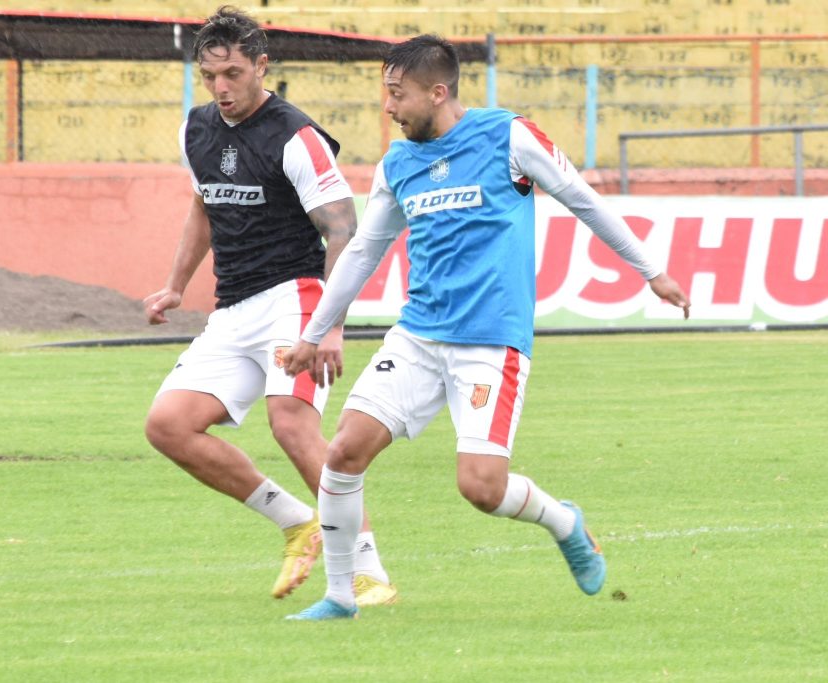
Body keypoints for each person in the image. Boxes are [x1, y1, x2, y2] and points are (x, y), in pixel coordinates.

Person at [281, 34, 691, 620]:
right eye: (386, 94)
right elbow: (364, 252)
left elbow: (582, 199)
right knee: (344, 453)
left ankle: (565, 522)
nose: (389, 108)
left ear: (438, 92)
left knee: (481, 488)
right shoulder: (398, 164)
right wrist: (316, 332)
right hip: (418, 335)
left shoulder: (509, 136)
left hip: (489, 345)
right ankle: (342, 596)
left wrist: (652, 270)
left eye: (398, 95)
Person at [143, 6, 397, 606]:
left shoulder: (297, 136)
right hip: (233, 308)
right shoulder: (196, 129)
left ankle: (369, 571)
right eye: (210, 77)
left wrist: (329, 324)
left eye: (232, 73)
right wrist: (177, 284)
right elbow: (204, 206)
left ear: (262, 65)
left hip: (296, 296)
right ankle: (296, 521)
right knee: (168, 426)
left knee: (290, 424)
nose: (221, 88)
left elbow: (342, 230)